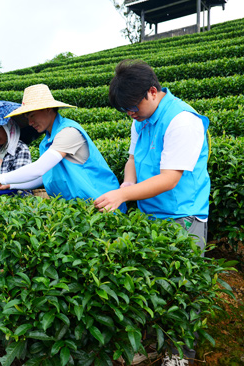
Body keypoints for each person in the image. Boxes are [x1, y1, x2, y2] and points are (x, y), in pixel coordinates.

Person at [94, 59, 210, 366]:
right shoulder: (139, 119)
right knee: (150, 285)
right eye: (125, 110)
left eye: (133, 107)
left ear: (152, 92)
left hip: (182, 216)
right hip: (150, 214)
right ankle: (149, 345)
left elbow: (170, 178)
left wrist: (123, 194)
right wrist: (127, 183)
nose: (131, 114)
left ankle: (179, 354)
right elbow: (132, 158)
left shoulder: (182, 120)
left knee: (181, 290)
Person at [0, 84, 126, 213]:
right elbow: (44, 177)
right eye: (26, 118)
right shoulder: (47, 141)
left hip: (104, 204)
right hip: (82, 209)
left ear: (48, 109)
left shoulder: (68, 132)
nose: (30, 122)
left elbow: (39, 168)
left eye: (32, 115)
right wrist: (10, 184)